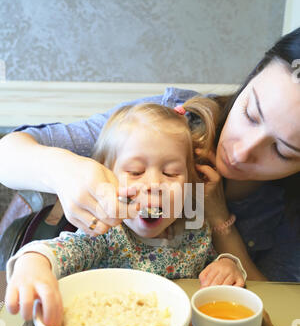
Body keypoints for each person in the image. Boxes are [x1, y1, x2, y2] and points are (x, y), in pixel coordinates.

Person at [0, 28, 300, 281]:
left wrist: (226, 247)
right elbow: (8, 154)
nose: (242, 151)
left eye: (282, 150)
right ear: (254, 74)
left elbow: (273, 302)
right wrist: (63, 170)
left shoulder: (196, 237)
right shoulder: (161, 124)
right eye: (251, 114)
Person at [4, 98, 247, 326]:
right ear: (105, 177)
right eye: (135, 171)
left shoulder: (195, 231)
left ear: (190, 183)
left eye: (171, 173)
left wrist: (227, 264)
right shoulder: (106, 234)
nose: (153, 184)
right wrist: (34, 262)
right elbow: (63, 250)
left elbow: (212, 265)